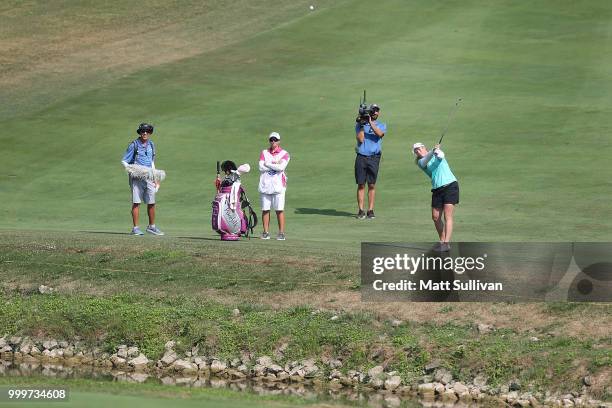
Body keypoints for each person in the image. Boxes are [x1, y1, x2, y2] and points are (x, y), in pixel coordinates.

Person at [412, 142, 459, 252]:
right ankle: (442, 241)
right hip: (437, 189)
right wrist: (432, 151)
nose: (418, 151)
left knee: (448, 216)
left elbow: (441, 156)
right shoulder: (420, 162)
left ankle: (446, 243)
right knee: (435, 217)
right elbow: (426, 160)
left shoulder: (436, 153)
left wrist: (436, 151)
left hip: (450, 185)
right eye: (416, 151)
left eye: (419, 149)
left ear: (424, 148)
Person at [121, 123, 164, 236]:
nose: (145, 133)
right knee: (136, 202)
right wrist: (131, 170)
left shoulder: (151, 145)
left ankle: (151, 227)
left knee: (151, 202)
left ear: (150, 133)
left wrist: (156, 178)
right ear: (140, 132)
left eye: (147, 131)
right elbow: (124, 161)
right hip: (136, 177)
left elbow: (152, 162)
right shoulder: (134, 145)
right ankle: (135, 228)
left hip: (149, 176)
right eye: (142, 131)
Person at [355, 104, 386, 219]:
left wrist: (370, 122)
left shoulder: (381, 125)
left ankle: (370, 210)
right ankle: (361, 210)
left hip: (374, 158)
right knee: (361, 184)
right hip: (361, 157)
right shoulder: (359, 125)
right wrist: (362, 124)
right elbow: (361, 139)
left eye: (377, 111)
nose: (376, 113)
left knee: (372, 184)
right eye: (374, 110)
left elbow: (380, 134)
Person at [258, 131, 290, 240]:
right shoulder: (264, 152)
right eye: (271, 139)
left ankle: (281, 233)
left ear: (279, 141)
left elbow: (281, 168)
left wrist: (268, 164)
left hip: (278, 186)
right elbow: (261, 167)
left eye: (275, 140)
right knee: (265, 209)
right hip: (265, 184)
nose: (273, 141)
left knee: (279, 210)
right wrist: (274, 164)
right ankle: (265, 232)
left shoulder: (284, 153)